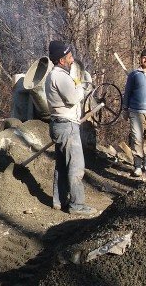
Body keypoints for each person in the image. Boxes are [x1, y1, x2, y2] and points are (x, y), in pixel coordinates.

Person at [44, 40, 96, 216]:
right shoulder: (59, 76)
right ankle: (77, 205)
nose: (73, 60)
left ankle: (59, 200)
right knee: (76, 166)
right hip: (67, 126)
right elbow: (73, 98)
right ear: (61, 60)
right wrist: (81, 85)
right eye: (69, 57)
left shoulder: (54, 75)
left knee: (62, 165)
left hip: (60, 124)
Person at [122, 49, 146, 177]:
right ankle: (137, 166)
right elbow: (127, 93)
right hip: (136, 112)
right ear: (140, 59)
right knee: (137, 139)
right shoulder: (134, 75)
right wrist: (125, 109)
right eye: (144, 58)